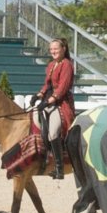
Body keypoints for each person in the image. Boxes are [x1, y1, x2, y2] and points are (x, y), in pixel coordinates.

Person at [31, 38, 75, 179]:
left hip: (61, 103)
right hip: (48, 100)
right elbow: (47, 85)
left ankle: (59, 168)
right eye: (51, 49)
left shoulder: (67, 65)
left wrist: (48, 101)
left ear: (63, 49)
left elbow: (62, 88)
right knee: (37, 124)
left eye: (56, 49)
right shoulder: (51, 65)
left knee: (53, 132)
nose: (53, 51)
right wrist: (39, 95)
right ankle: (44, 158)